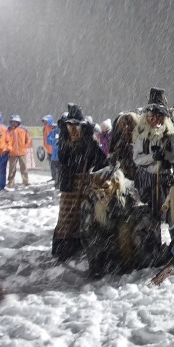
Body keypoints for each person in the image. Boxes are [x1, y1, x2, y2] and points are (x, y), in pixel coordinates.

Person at [52, 104, 107, 260]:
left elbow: (102, 163)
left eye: (76, 126)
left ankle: (80, 243)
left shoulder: (90, 145)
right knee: (66, 215)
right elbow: (63, 161)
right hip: (69, 185)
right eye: (70, 125)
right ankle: (63, 244)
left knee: (84, 215)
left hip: (85, 185)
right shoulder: (64, 144)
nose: (73, 130)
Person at [132, 88, 174, 217]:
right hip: (145, 181)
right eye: (152, 116)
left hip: (165, 180)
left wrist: (165, 155)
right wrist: (152, 157)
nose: (155, 120)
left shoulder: (172, 136)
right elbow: (137, 158)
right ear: (146, 118)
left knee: (165, 213)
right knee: (145, 214)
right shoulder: (142, 136)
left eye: (159, 116)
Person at [6, 115, 32, 188]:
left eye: (15, 122)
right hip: (12, 153)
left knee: (24, 168)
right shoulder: (8, 131)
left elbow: (28, 139)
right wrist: (8, 148)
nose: (14, 124)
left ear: (18, 122)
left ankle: (26, 181)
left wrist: (25, 146)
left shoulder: (23, 130)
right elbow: (5, 141)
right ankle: (11, 182)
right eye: (12, 122)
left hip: (22, 152)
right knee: (12, 168)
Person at [47, 116, 62, 187]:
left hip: (61, 156)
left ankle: (59, 183)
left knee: (59, 170)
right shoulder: (53, 132)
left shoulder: (65, 132)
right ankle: (57, 183)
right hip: (55, 156)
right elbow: (48, 141)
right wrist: (55, 141)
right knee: (57, 170)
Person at [41, 115, 56, 180]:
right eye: (44, 121)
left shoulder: (54, 127)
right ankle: (53, 177)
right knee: (52, 165)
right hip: (49, 150)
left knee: (56, 165)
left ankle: (57, 178)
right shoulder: (45, 128)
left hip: (54, 150)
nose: (44, 122)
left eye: (46, 121)